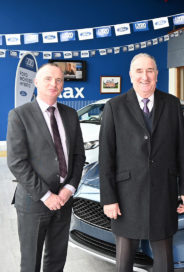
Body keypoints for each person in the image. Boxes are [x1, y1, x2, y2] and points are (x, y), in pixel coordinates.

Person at [99, 53, 184, 272]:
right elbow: (106, 157)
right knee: (124, 262)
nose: (145, 76)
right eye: (139, 71)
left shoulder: (171, 104)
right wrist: (109, 198)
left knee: (164, 261)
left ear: (157, 74)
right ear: (131, 75)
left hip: (164, 193)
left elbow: (182, 149)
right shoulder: (115, 106)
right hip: (125, 197)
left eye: (150, 70)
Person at [7, 63, 85, 272]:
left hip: (64, 200)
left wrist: (69, 189)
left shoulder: (70, 114)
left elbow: (78, 155)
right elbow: (16, 161)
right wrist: (46, 195)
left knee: (57, 260)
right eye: (48, 79)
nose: (54, 83)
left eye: (59, 80)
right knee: (30, 262)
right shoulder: (19, 115)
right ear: (36, 83)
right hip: (34, 201)